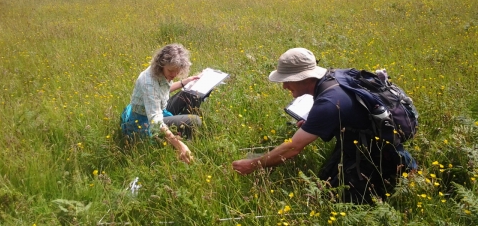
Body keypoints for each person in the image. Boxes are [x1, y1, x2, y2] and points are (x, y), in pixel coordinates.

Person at [232, 48, 416, 204]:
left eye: (288, 80)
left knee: (335, 196)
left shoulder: (328, 102)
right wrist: (315, 124)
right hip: (369, 133)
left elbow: (293, 148)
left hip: (377, 144)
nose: (285, 86)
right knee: (329, 176)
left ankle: (402, 173)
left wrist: (252, 165)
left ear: (305, 78)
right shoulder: (333, 76)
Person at [121, 44, 203, 164]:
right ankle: (182, 149)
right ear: (161, 64)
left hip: (160, 108)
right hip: (145, 120)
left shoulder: (163, 73)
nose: (174, 75)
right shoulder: (148, 83)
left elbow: (163, 92)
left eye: (177, 71)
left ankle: (178, 132)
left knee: (191, 93)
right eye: (171, 71)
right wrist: (180, 146)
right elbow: (155, 120)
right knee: (195, 121)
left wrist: (185, 82)